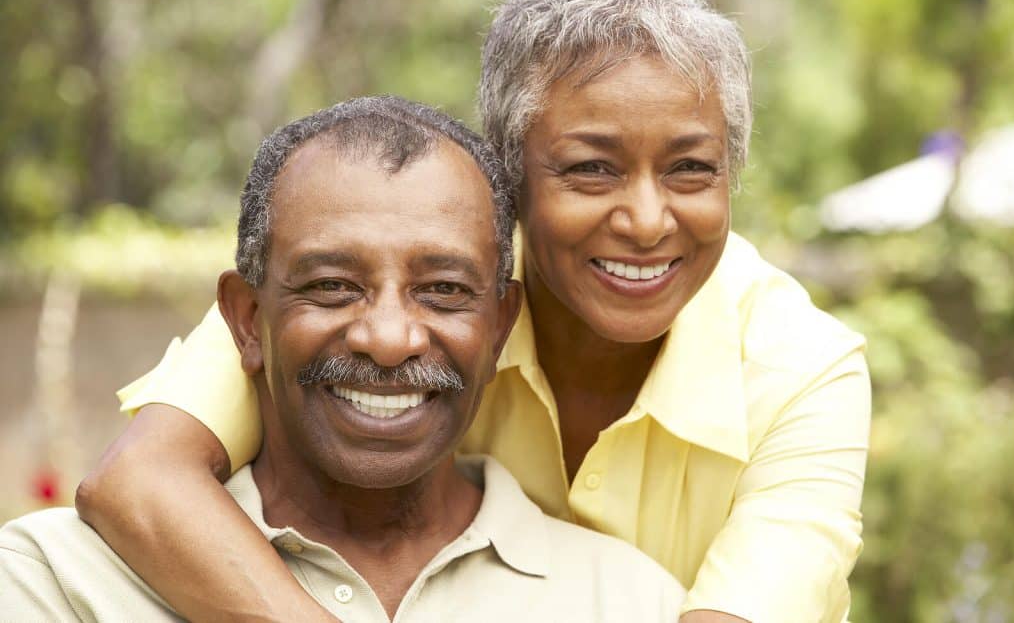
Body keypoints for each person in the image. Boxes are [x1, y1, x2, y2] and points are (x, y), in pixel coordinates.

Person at [76, 0, 871, 623]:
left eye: (691, 169)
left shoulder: (802, 371)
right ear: (506, 177)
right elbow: (140, 478)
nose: (646, 219)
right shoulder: (381, 299)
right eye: (591, 167)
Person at [0, 96, 686, 621]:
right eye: (332, 286)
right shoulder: (56, 583)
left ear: (501, 323)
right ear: (245, 318)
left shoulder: (627, 601)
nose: (388, 339)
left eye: (443, 290)